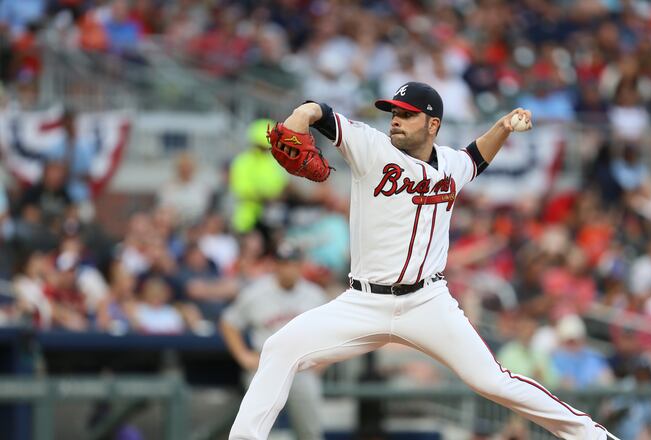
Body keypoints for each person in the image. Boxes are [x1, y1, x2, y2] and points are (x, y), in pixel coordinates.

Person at [229, 82, 612, 439]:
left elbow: (476, 156)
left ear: (433, 124)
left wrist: (503, 127)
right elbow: (323, 113)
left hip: (427, 302)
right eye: (394, 112)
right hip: (364, 302)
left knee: (492, 381)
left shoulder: (451, 164)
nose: (396, 119)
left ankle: (593, 436)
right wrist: (302, 114)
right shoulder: (370, 147)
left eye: (407, 114)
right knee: (279, 348)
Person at [221, 244, 326, 440]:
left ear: (300, 266)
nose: (288, 269)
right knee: (254, 432)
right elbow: (229, 322)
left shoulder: (314, 295)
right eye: (283, 264)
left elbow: (330, 330)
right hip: (265, 367)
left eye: (293, 264)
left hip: (301, 368)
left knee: (310, 433)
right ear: (275, 265)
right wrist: (243, 355)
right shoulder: (255, 292)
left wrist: (325, 360)